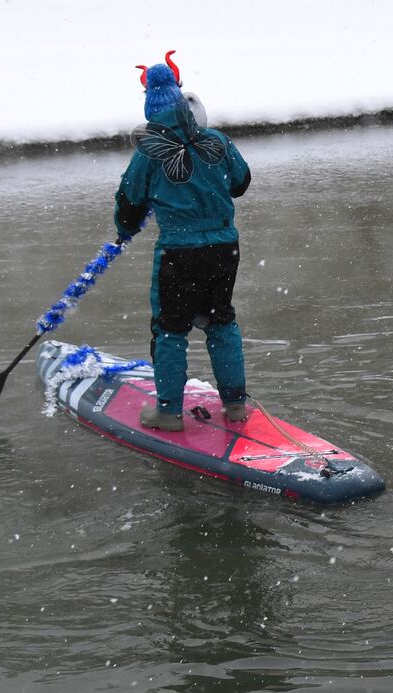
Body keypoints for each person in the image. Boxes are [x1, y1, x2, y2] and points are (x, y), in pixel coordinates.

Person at [114, 52, 253, 431]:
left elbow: (129, 203)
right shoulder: (217, 141)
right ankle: (236, 405)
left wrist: (125, 231)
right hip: (225, 248)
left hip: (179, 252)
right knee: (221, 320)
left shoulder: (148, 154)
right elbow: (240, 183)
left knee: (171, 329)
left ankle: (169, 412)